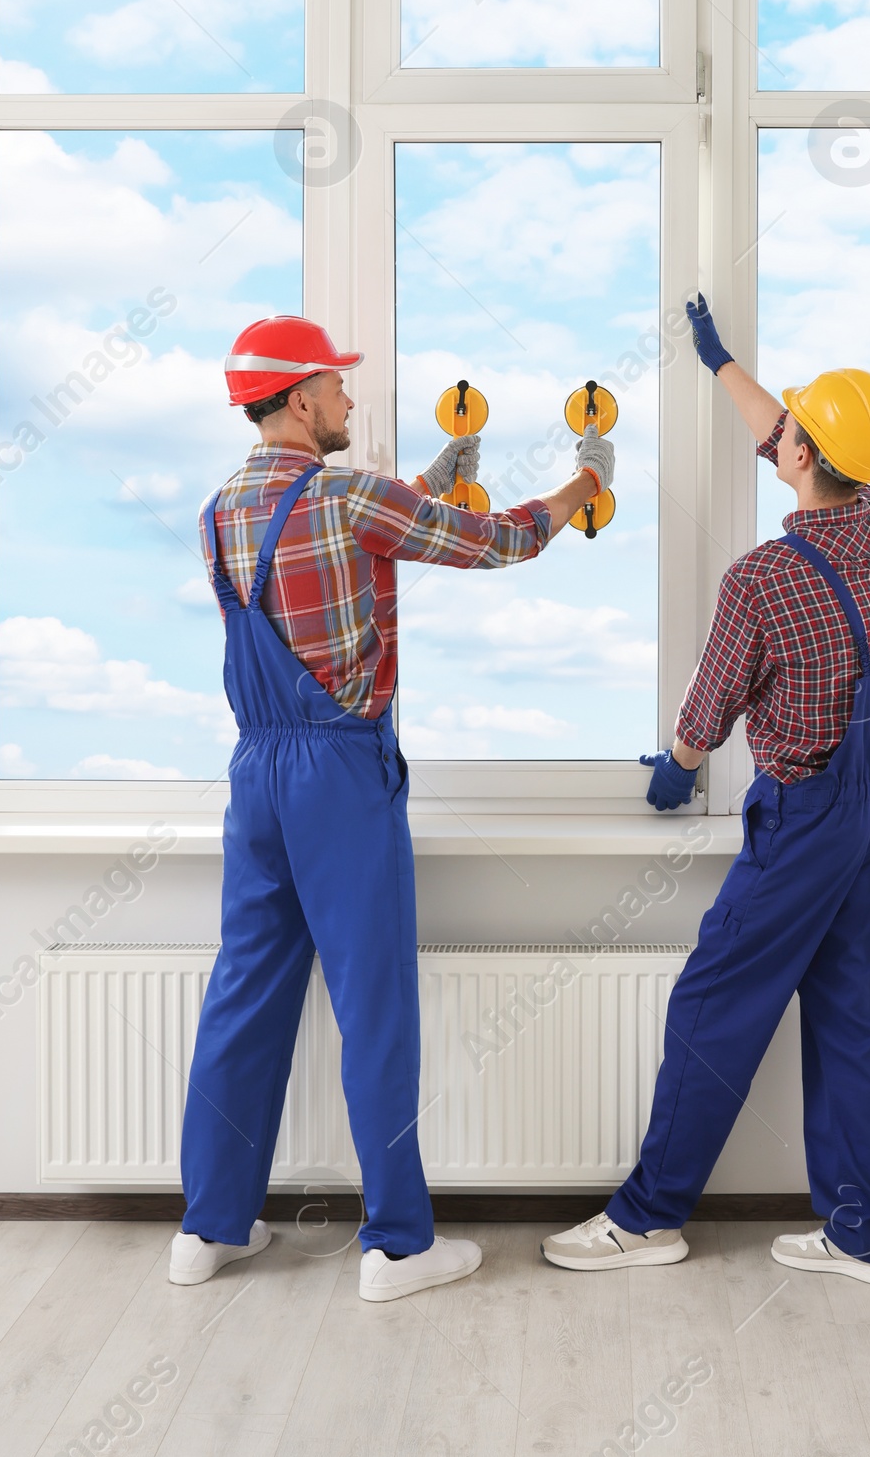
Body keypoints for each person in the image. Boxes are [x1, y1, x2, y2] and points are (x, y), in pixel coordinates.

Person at [172, 315, 614, 1301]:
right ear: (298, 396)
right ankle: (398, 1245)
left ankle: (207, 1227)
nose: (348, 400)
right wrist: (583, 485)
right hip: (339, 774)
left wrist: (431, 470)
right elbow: (497, 541)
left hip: (256, 776)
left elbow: (342, 538)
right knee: (373, 1005)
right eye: (336, 385)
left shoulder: (219, 509)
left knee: (243, 996)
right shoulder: (346, 493)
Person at [543, 294, 870, 1284]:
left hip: (800, 825)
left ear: (799, 454)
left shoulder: (763, 577)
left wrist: (674, 767)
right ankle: (862, 1230)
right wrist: (721, 364)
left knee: (712, 1003)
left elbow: (706, 716)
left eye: (787, 425)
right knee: (848, 1014)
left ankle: (647, 1215)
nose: (777, 429)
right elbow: (810, 450)